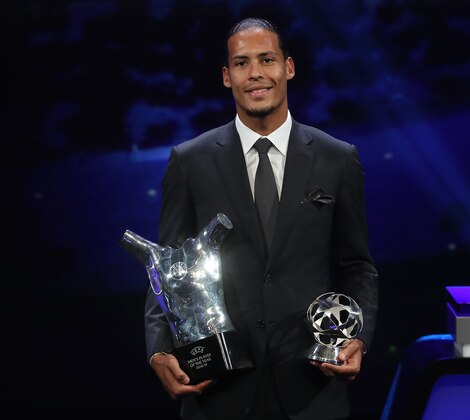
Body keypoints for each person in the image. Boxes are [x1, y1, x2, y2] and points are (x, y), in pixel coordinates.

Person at [144, 17, 379, 420]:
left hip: (312, 388)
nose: (255, 74)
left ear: (288, 67)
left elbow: (356, 266)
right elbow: (167, 268)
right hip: (220, 391)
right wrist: (159, 349)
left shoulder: (337, 159)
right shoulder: (190, 161)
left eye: (267, 59)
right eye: (241, 63)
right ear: (226, 76)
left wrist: (358, 339)